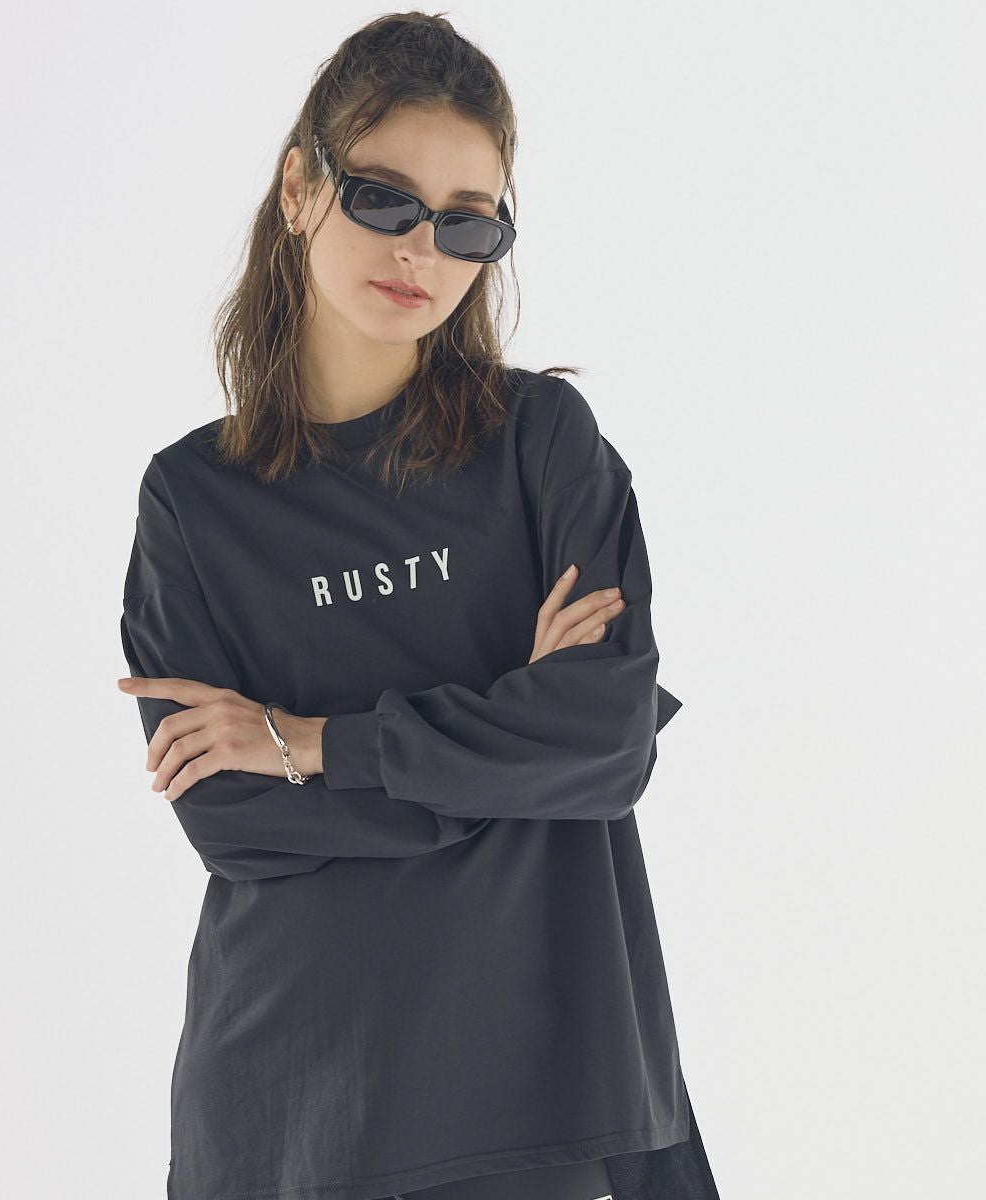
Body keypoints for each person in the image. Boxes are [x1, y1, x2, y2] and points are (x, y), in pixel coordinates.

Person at [117, 12, 720, 1200]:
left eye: (466, 220)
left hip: (542, 1090)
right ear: (300, 188)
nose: (421, 250)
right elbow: (235, 821)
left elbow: (606, 745)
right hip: (293, 1103)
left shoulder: (539, 444)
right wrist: (512, 752)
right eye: (385, 199)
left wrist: (309, 743)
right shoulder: (194, 499)